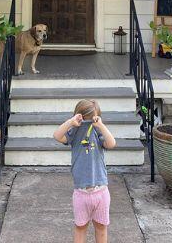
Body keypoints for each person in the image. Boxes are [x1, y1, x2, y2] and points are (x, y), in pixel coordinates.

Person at [53, 99, 117, 243]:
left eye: (92, 118)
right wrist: (71, 122)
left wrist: (100, 125)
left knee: (101, 227)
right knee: (80, 227)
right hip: (81, 192)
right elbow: (57, 136)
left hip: (101, 191)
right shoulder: (74, 131)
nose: (88, 122)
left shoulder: (97, 130)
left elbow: (112, 143)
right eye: (85, 118)